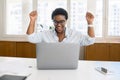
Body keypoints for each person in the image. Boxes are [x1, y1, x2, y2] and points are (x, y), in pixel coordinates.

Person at [26, 8, 95, 46]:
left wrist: (90, 23)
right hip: (50, 66)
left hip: (69, 67)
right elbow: (30, 38)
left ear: (66, 21)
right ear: (53, 21)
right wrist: (32, 20)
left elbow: (90, 40)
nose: (58, 25)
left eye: (62, 21)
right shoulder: (45, 34)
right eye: (56, 22)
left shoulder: (75, 35)